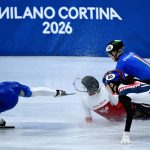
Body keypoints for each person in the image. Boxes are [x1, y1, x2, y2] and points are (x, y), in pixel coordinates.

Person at [102, 69, 150, 144]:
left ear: (111, 85)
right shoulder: (133, 81)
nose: (106, 89)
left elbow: (130, 113)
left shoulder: (122, 95)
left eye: (106, 85)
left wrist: (126, 133)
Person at [81, 76, 150, 123]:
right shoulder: (105, 90)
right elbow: (118, 105)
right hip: (130, 112)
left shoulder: (84, 101)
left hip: (115, 120)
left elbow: (89, 119)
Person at [0, 81, 67, 127]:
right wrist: (56, 92)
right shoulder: (11, 84)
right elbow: (37, 91)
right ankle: (57, 92)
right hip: (12, 85)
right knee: (34, 91)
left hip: (9, 99)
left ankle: (1, 122)